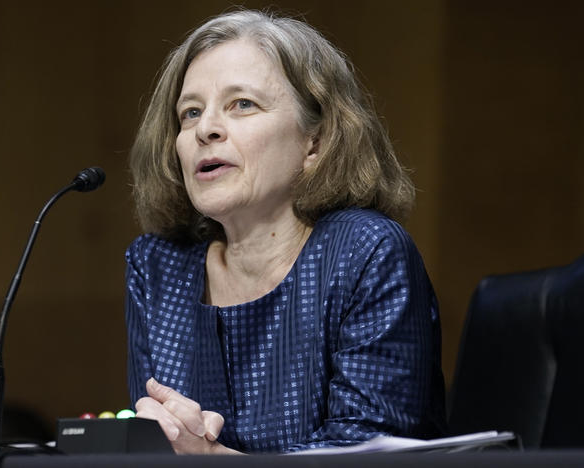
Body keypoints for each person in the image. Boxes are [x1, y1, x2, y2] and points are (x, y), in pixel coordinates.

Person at [125, 8, 446, 454]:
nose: (206, 129)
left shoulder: (365, 252)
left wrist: (211, 457)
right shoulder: (158, 265)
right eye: (191, 112)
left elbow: (366, 454)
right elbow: (155, 441)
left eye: (242, 104)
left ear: (314, 142)